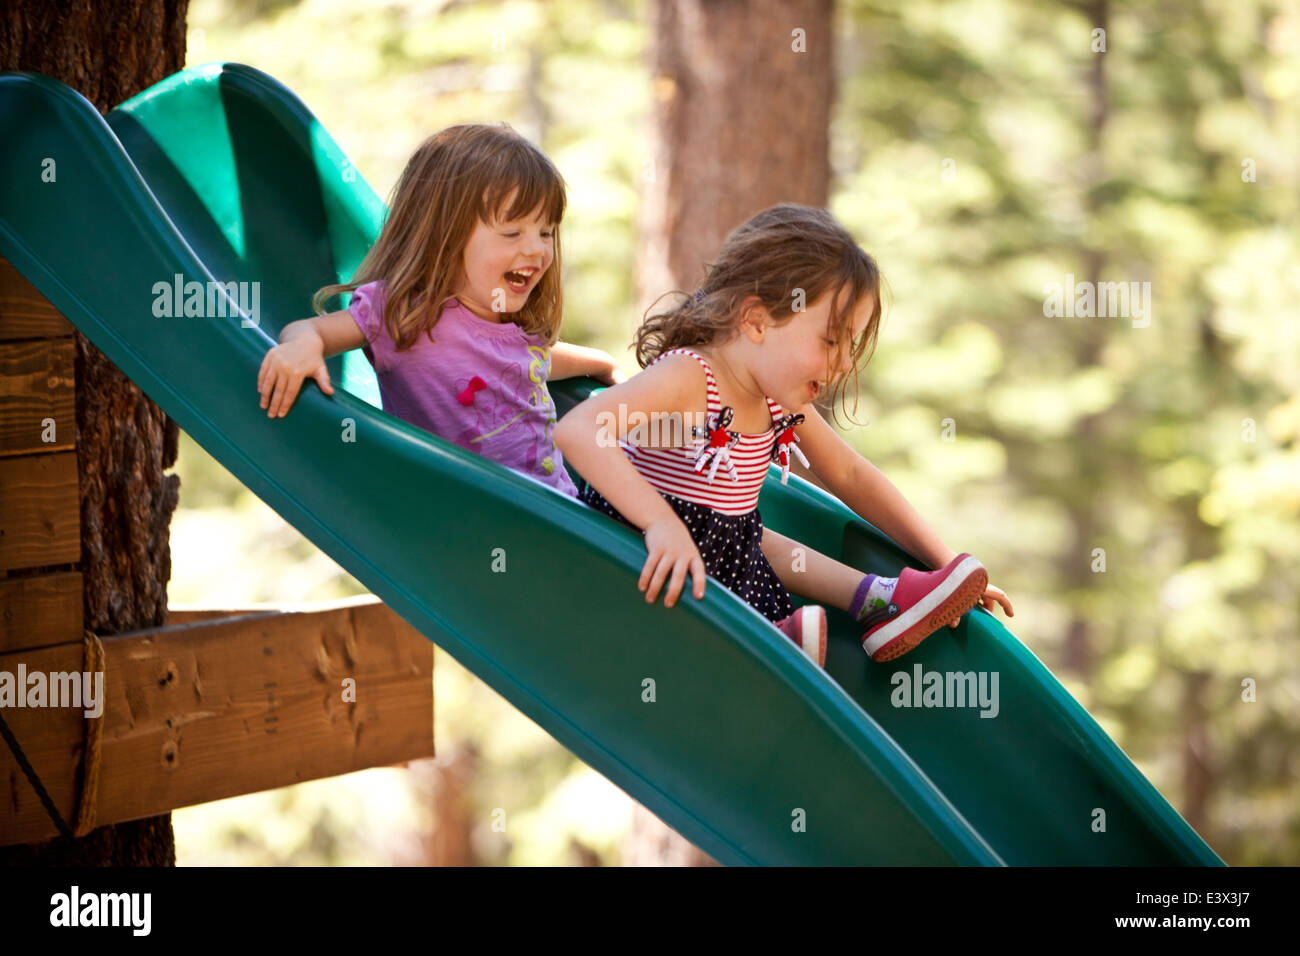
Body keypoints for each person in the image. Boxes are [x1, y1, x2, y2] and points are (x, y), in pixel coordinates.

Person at [554, 204, 1013, 666]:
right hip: (638, 563)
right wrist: (660, 524)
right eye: (832, 341)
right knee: (735, 535)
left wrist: (945, 562)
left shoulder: (776, 399)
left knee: (745, 533)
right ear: (755, 321)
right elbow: (578, 429)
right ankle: (761, 646)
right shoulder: (691, 376)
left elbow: (850, 473)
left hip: (725, 560)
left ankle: (879, 601)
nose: (846, 363)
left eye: (850, 346)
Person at [256, 123, 622, 498]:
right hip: (478, 518)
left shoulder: (505, 319)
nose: (537, 250)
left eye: (545, 232)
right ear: (446, 235)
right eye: (512, 233)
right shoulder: (407, 314)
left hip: (563, 512)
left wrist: (598, 362)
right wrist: (301, 346)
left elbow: (532, 361)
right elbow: (312, 330)